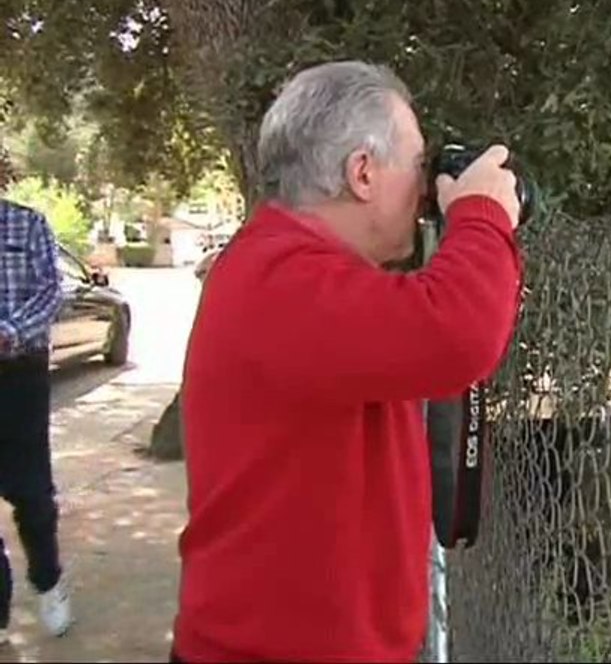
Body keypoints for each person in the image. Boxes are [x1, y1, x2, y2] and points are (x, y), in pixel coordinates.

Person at [170, 61, 524, 663]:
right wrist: (482, 212)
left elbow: (439, 325)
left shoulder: (299, 273)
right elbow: (460, 331)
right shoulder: (279, 281)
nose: (423, 191)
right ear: (362, 172)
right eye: (417, 166)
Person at [0, 196, 73, 645]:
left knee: (32, 494)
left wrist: (8, 332)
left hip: (19, 372)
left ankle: (48, 579)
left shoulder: (26, 224)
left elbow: (52, 292)